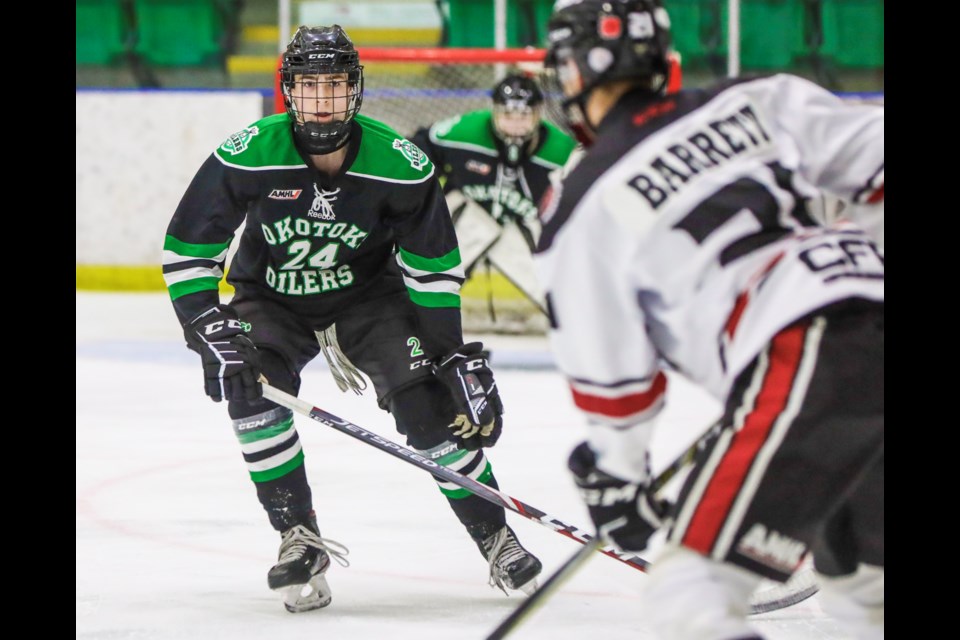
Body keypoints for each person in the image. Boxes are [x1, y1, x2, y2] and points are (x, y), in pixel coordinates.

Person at [161, 24, 542, 614]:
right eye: (309, 86)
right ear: (289, 91)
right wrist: (207, 325)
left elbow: (434, 271)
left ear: (355, 91)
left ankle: (496, 535)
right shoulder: (249, 152)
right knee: (252, 392)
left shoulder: (400, 164)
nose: (321, 100)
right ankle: (298, 535)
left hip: (371, 300)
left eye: (333, 85)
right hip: (272, 299)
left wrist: (447, 356)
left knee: (427, 409)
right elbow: (188, 252)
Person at [536, 1, 883, 639]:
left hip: (805, 356)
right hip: (854, 325)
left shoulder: (582, 204)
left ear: (576, 75)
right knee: (865, 583)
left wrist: (617, 475)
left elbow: (614, 381)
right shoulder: (757, 98)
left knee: (690, 590)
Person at [410, 73, 577, 326]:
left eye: (523, 116)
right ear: (495, 112)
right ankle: (415, 327)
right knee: (431, 277)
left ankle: (574, 330)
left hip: (519, 227)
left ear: (538, 114)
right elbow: (419, 150)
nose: (516, 124)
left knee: (549, 283)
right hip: (466, 220)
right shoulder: (464, 131)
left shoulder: (562, 151)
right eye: (508, 115)